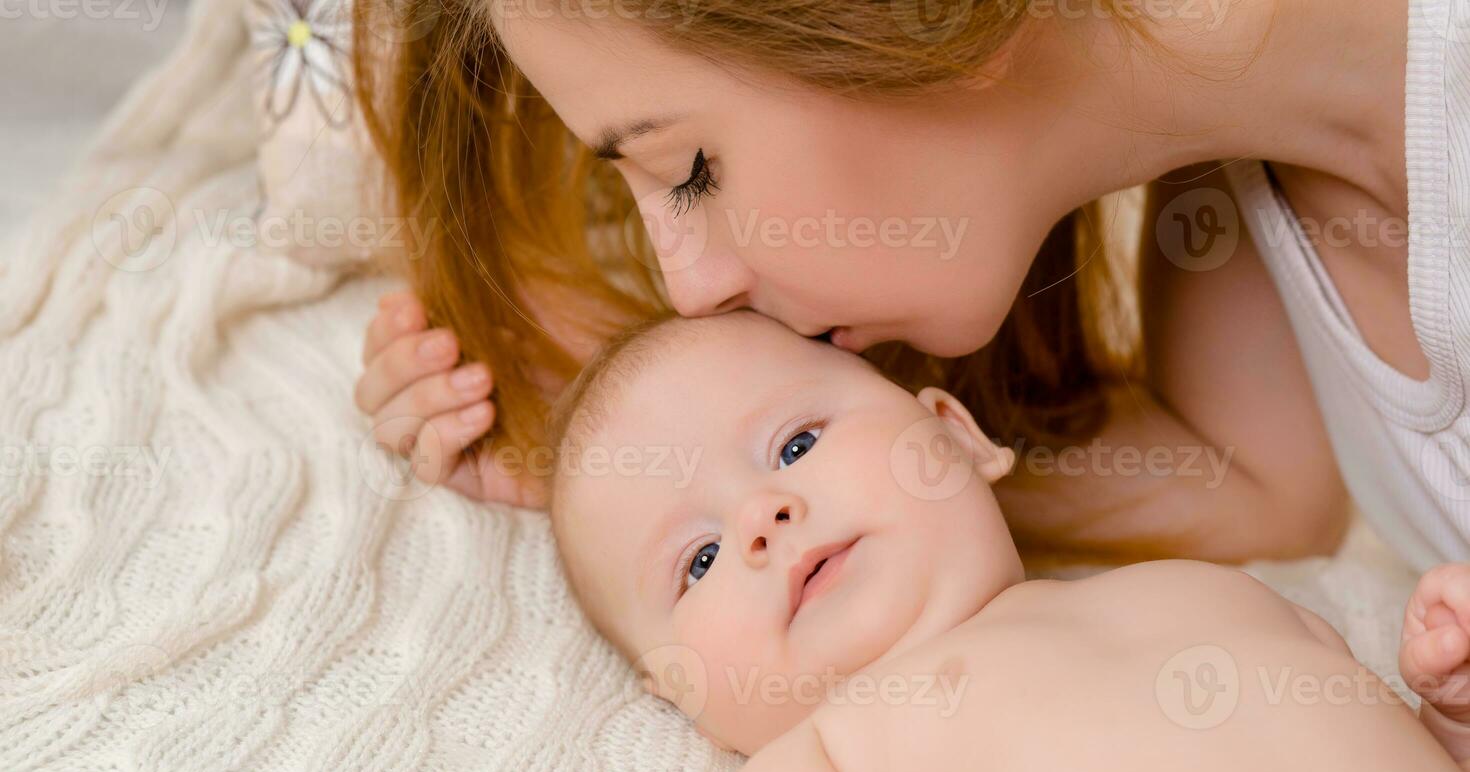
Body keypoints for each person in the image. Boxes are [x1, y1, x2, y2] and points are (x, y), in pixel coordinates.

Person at [351, 0, 1462, 568]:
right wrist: (679, 467)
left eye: (688, 170)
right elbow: (1250, 488)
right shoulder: (1242, 163)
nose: (688, 291)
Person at [543, 310, 1470, 772]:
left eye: (795, 446)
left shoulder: (1202, 585)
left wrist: (1448, 706)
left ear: (954, 434)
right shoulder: (823, 760)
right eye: (698, 560)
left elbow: (1406, 767)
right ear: (679, 688)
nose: (762, 518)